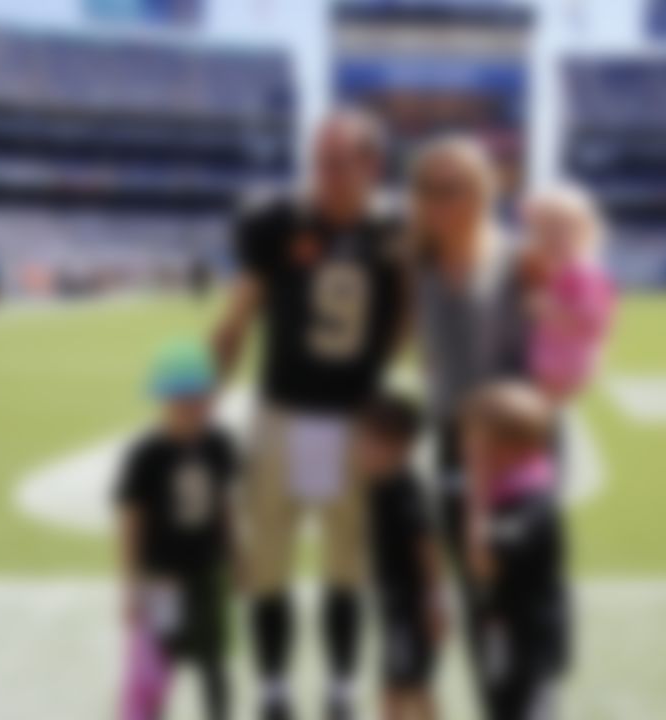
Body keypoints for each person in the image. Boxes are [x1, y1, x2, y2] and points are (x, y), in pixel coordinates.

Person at [213, 109, 409, 720]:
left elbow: (407, 315)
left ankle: (342, 686)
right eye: (317, 160)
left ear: (372, 165)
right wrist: (207, 394)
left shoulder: (397, 230)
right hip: (281, 412)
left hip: (353, 420)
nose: (321, 174)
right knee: (268, 565)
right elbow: (238, 314)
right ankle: (273, 687)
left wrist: (379, 377)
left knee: (346, 569)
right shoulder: (276, 221)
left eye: (337, 161)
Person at [408, 136, 526, 688]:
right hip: (449, 441)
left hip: (509, 447)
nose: (439, 201)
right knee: (475, 601)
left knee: (513, 599)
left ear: (483, 192)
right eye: (427, 189)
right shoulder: (416, 263)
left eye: (453, 188)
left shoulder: (516, 260)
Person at [114, 342, 241, 720]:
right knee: (157, 669)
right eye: (182, 401)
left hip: (206, 572)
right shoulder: (146, 454)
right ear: (163, 402)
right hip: (163, 578)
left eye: (199, 399)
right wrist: (131, 584)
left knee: (214, 663)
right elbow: (131, 522)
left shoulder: (220, 445)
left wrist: (235, 553)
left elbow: (224, 505)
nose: (192, 409)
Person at [462, 382, 571, 720]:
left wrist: (477, 498)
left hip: (530, 643)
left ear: (507, 448)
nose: (469, 448)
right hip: (504, 633)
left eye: (477, 439)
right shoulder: (508, 490)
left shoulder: (530, 503)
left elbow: (483, 562)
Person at [355, 393, 445, 720]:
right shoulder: (377, 485)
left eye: (366, 442)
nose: (359, 449)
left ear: (398, 447)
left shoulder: (405, 493)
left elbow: (428, 549)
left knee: (404, 688)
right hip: (396, 608)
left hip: (411, 611)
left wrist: (435, 603)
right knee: (405, 686)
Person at [520, 186, 615, 405]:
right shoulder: (558, 267)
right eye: (542, 230)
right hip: (551, 358)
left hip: (564, 363)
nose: (550, 237)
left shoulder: (583, 271)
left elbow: (593, 320)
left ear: (585, 231)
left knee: (536, 414)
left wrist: (546, 310)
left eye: (560, 230)